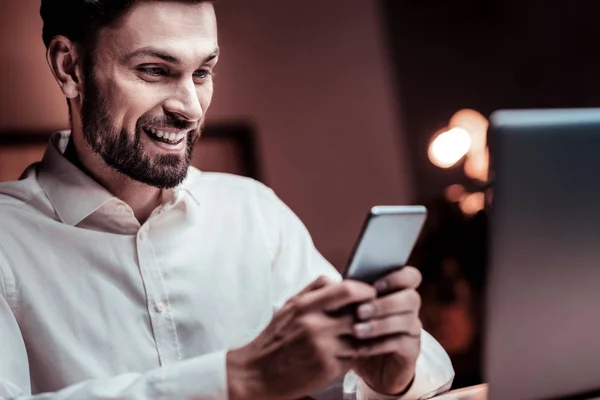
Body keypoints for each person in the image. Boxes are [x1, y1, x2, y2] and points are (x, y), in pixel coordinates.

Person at [0, 1, 454, 399]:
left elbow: (419, 372)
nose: (191, 108)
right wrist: (237, 380)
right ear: (70, 68)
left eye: (202, 73)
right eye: (155, 71)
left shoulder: (252, 211)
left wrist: (389, 376)